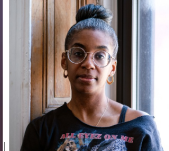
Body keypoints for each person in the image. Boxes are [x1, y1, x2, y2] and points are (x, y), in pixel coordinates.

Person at [21, 4, 162, 151]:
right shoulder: (42, 130)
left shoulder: (140, 127)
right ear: (65, 61)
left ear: (112, 68)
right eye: (78, 53)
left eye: (100, 56)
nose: (88, 64)